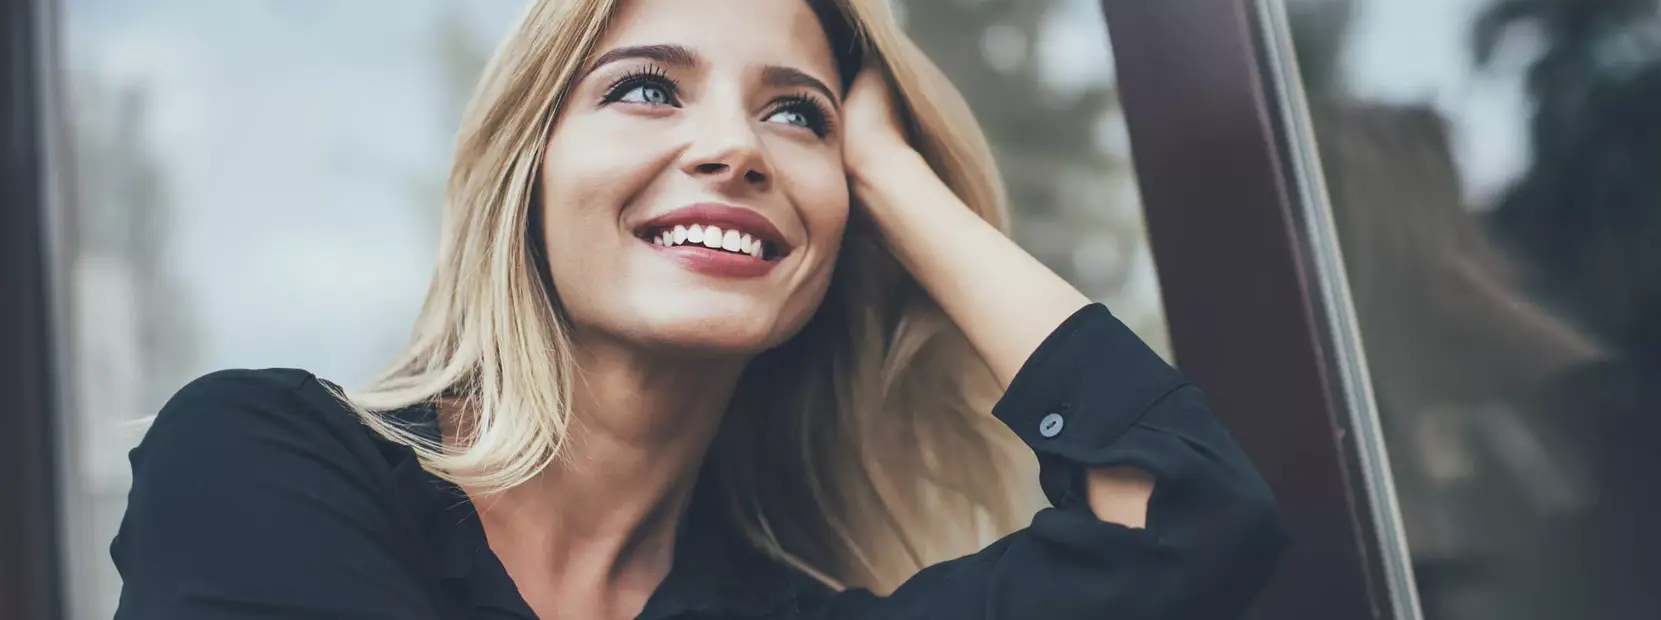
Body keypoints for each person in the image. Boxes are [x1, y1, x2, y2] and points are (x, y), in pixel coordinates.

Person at [108, 0, 1285, 617]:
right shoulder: (263, 463)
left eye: (797, 114)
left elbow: (1188, 518)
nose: (734, 146)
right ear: (529, 169)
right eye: (647, 89)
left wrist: (894, 175)